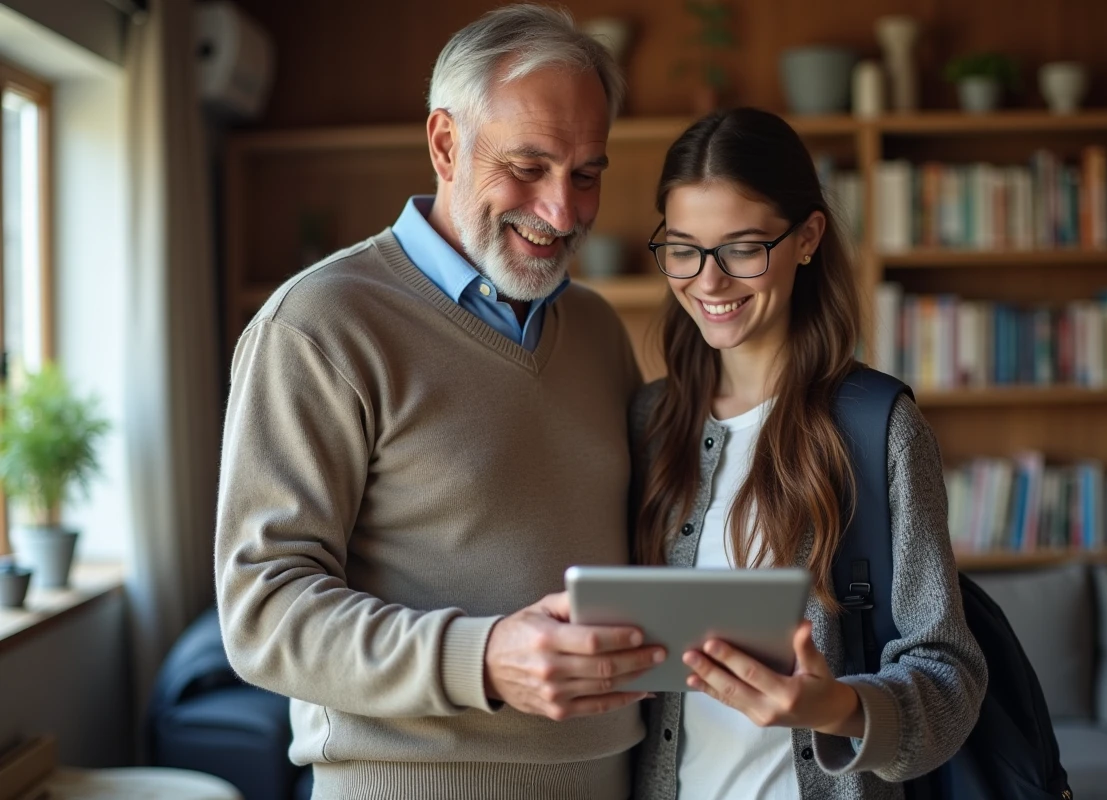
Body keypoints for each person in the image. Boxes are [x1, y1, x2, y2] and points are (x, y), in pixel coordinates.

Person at [214, 6, 665, 798]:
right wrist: (482, 657)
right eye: (527, 166)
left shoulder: (594, 327)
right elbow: (262, 613)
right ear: (446, 144)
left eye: (586, 173)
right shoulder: (319, 325)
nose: (563, 212)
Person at [630, 108, 988, 800]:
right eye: (683, 248)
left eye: (741, 249)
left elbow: (952, 679)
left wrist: (832, 708)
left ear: (807, 238)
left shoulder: (877, 429)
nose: (708, 283)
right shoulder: (648, 422)